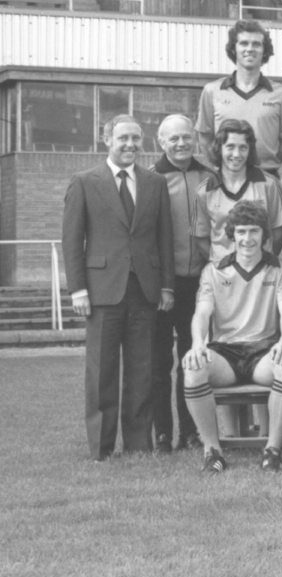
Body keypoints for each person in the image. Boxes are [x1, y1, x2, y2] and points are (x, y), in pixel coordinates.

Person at [63, 114, 175, 461]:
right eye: (123, 138)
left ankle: (139, 443)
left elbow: (164, 240)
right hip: (101, 292)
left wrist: (167, 287)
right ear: (106, 140)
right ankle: (101, 446)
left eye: (136, 139)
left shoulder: (155, 183)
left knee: (142, 369)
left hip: (144, 290)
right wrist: (77, 290)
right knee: (102, 371)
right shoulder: (84, 182)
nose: (130, 145)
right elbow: (72, 240)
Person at [181, 202, 282, 473]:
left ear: (264, 234)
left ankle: (272, 450)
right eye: (241, 231)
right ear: (232, 234)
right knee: (193, 367)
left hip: (263, 351)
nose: (247, 239)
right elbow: (202, 312)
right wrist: (198, 344)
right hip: (225, 353)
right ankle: (213, 451)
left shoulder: (280, 268)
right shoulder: (214, 270)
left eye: (254, 231)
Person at [151, 114, 211, 452]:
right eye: (173, 138)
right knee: (160, 362)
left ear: (195, 139)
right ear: (161, 142)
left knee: (193, 358)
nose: (181, 143)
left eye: (186, 137)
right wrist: (160, 284)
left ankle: (190, 431)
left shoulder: (209, 177)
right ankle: (162, 432)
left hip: (200, 285)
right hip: (163, 287)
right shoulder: (151, 178)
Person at [194, 20, 282, 174]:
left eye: (256, 44)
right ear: (234, 49)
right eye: (244, 43)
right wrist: (222, 165)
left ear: (264, 50)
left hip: (266, 176)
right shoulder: (212, 91)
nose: (250, 49)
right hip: (226, 176)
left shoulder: (281, 94)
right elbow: (205, 137)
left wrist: (266, 165)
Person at [193, 118, 282, 264]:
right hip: (223, 276)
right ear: (219, 148)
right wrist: (222, 264)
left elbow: (280, 231)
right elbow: (201, 238)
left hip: (260, 273)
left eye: (243, 147)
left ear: (250, 150)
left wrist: (261, 261)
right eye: (230, 147)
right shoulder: (204, 191)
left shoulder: (269, 185)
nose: (237, 154)